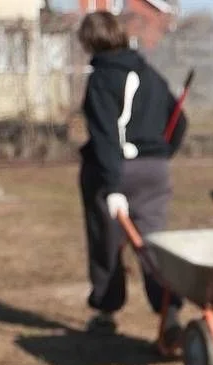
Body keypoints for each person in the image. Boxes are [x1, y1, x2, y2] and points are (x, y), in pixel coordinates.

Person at [77, 11, 187, 342]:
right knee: (152, 246)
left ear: (90, 42)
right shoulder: (150, 73)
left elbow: (105, 136)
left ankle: (106, 311)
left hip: (115, 172)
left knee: (107, 245)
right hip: (154, 173)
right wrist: (161, 153)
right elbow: (180, 121)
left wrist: (112, 187)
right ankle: (170, 314)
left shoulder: (101, 78)